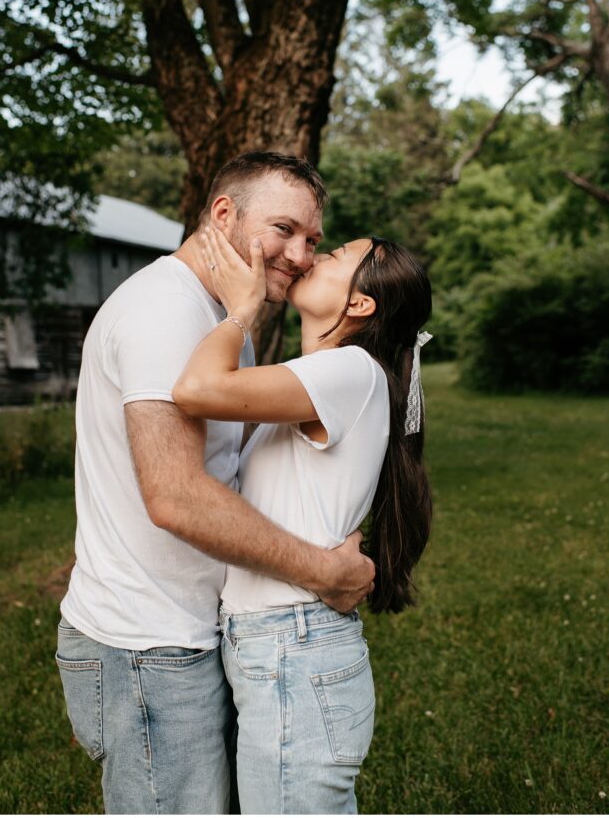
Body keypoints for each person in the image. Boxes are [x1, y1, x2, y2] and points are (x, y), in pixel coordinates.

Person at [55, 152, 375, 815]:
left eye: (313, 240)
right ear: (223, 213)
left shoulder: (225, 308)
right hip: (148, 643)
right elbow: (175, 496)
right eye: (284, 229)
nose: (301, 254)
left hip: (193, 628)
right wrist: (321, 570)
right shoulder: (167, 309)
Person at [173, 224, 433, 815]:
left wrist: (241, 311)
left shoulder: (348, 372)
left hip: (295, 645)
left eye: (334, 255)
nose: (311, 257)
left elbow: (196, 389)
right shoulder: (321, 378)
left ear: (360, 304)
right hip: (278, 644)